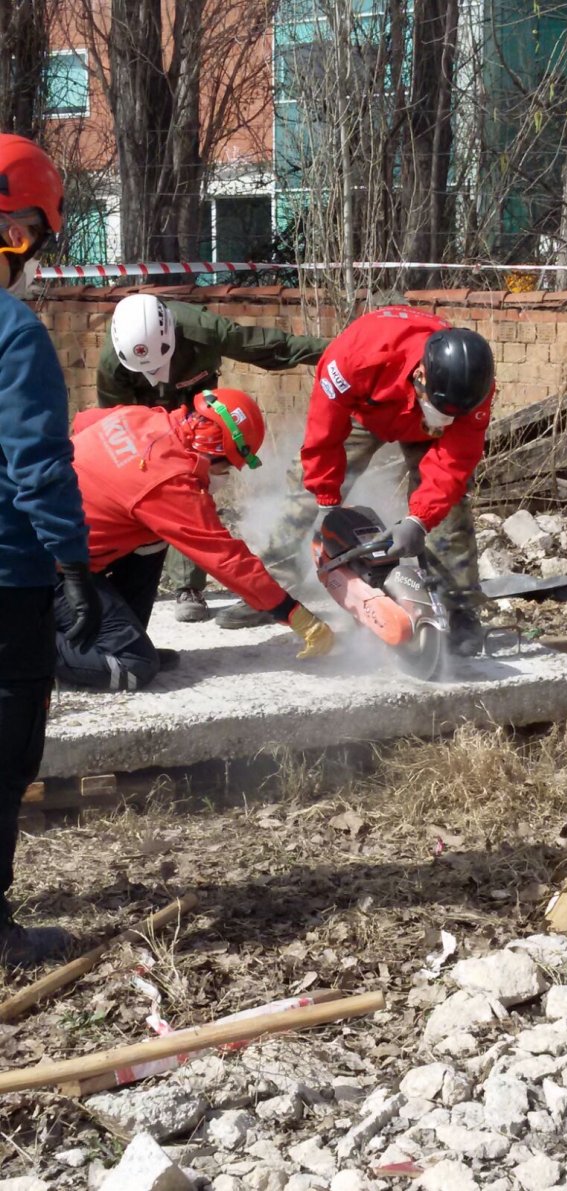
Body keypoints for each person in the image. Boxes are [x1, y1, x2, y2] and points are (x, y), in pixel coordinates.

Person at [217, 306, 495, 657]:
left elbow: (453, 465)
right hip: (366, 410)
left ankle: (458, 609)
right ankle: (269, 591)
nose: (447, 417)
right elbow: (324, 436)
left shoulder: (473, 388)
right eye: (441, 408)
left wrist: (419, 519)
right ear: (421, 375)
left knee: (450, 506)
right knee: (304, 487)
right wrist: (325, 500)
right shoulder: (354, 358)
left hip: (430, 430)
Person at [55, 388, 334, 690]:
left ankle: (114, 637)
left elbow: (83, 422)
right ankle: (24, 644)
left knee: (152, 540)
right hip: (44, 570)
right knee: (133, 666)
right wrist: (292, 613)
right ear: (214, 451)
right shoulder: (168, 481)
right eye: (227, 465)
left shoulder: (143, 417)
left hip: (57, 548)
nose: (227, 475)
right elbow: (225, 558)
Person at [0, 134, 101, 966]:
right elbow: (37, 465)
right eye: (31, 235)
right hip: (8, 578)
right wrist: (72, 564)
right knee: (6, 749)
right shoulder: (15, 335)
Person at [98, 293, 329, 624]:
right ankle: (122, 580)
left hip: (197, 404)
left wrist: (335, 353)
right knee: (146, 482)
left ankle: (189, 587)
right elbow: (115, 423)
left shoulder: (203, 329)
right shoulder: (114, 363)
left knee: (195, 479)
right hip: (144, 414)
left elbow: (270, 346)